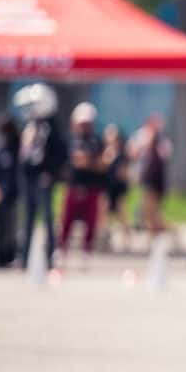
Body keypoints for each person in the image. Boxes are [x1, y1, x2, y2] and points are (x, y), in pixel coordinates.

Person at [16, 83, 67, 269]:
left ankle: (49, 255)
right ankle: (24, 256)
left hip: (44, 178)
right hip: (29, 176)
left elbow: (60, 154)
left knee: (47, 217)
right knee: (27, 218)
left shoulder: (52, 127)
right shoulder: (30, 125)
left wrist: (50, 173)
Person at [59, 102, 105, 264]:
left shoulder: (97, 141)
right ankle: (61, 248)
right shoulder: (70, 140)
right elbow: (65, 163)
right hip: (73, 185)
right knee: (66, 219)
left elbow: (102, 164)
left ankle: (86, 250)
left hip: (92, 186)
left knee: (91, 221)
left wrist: (89, 162)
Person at [0, 118, 21, 266]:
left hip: (13, 194)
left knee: (10, 228)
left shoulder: (18, 148)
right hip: (0, 195)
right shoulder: (0, 148)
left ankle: (9, 255)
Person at [128, 113, 171, 236]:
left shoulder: (162, 139)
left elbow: (165, 156)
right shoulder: (142, 135)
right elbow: (132, 152)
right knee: (147, 208)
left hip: (155, 179)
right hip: (144, 176)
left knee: (152, 209)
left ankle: (159, 234)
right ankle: (155, 233)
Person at [101, 124, 131, 251]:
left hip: (118, 188)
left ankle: (126, 240)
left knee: (121, 214)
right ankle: (106, 239)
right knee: (105, 214)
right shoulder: (106, 153)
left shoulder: (121, 155)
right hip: (107, 187)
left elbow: (123, 173)